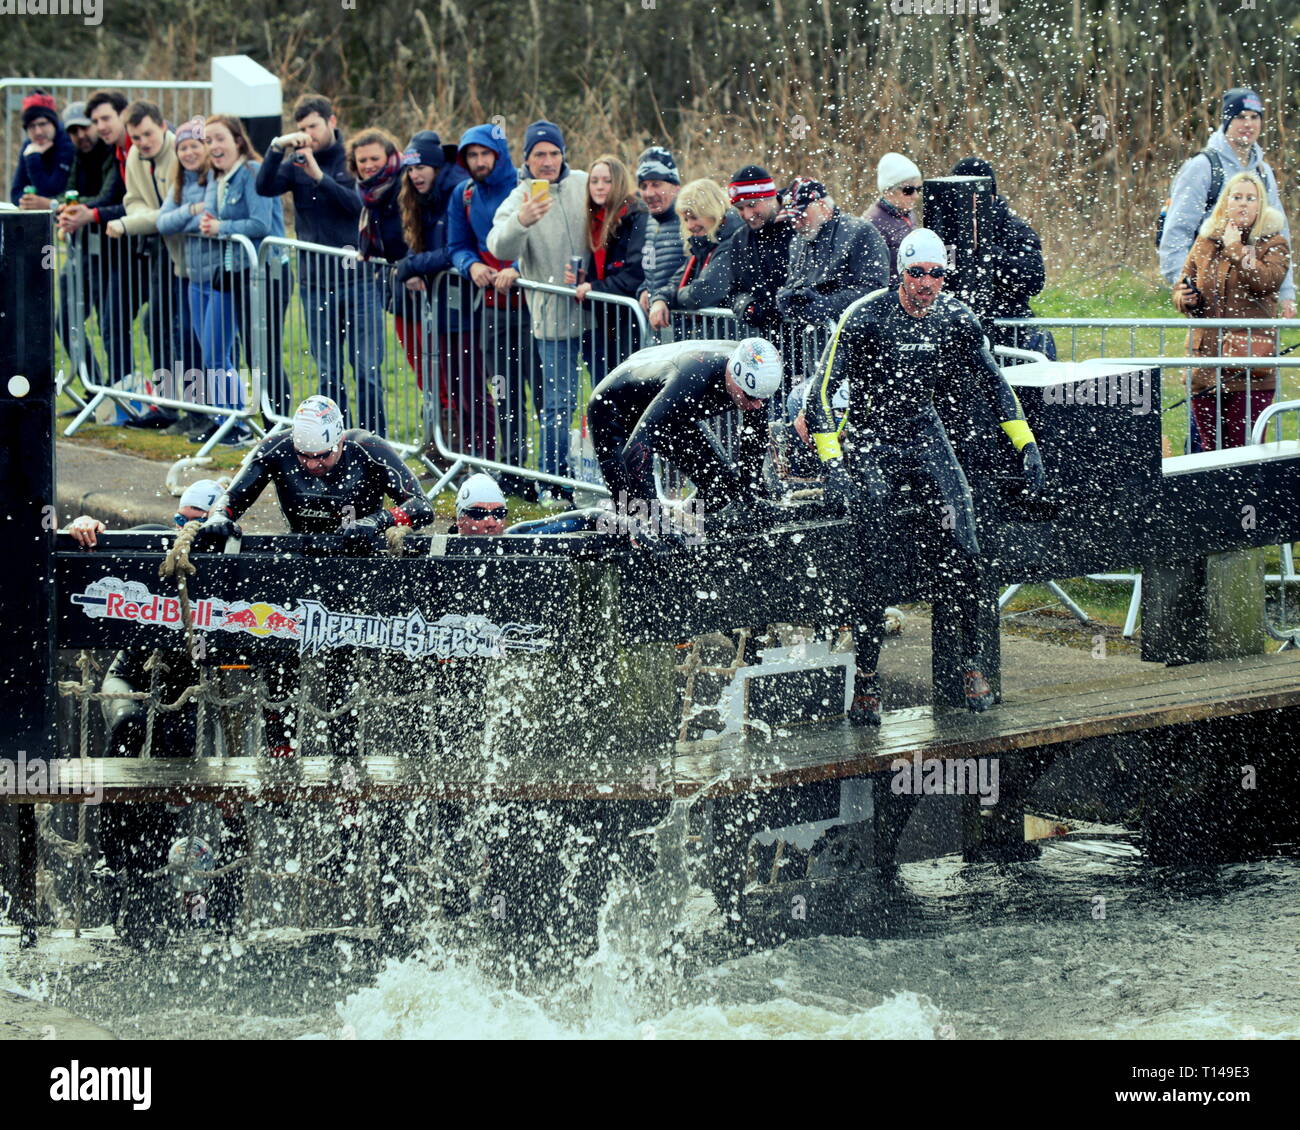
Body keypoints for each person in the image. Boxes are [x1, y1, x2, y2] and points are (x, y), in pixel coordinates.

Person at [807, 228, 1045, 724]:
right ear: (901, 273)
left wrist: (1026, 444)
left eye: (936, 274)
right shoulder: (867, 315)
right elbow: (820, 395)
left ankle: (972, 662)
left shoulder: (956, 318)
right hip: (871, 437)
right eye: (916, 273)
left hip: (922, 430)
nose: (926, 284)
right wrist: (832, 464)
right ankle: (867, 679)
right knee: (875, 551)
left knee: (966, 541)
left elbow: (994, 384)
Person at [256, 94, 384, 434]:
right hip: (314, 285)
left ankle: (373, 441)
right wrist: (276, 148)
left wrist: (318, 176)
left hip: (358, 281)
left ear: (331, 120)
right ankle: (335, 440)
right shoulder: (296, 159)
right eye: (301, 128)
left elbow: (358, 205)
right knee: (327, 372)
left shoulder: (352, 157)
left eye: (312, 126)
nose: (307, 134)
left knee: (367, 369)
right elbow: (265, 186)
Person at [587, 337, 784, 546]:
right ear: (733, 376)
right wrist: (655, 521)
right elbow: (634, 452)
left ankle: (682, 526)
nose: (755, 406)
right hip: (612, 410)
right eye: (750, 397)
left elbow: (754, 438)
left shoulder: (760, 377)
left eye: (761, 399)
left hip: (665, 408)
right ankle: (585, 524)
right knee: (632, 516)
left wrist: (751, 492)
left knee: (722, 489)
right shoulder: (692, 381)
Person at [488, 120, 590, 501]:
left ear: (564, 154)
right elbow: (498, 245)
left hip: (599, 314)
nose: (547, 162)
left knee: (608, 399)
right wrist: (522, 222)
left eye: (554, 153)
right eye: (539, 155)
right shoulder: (520, 198)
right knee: (558, 406)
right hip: (552, 320)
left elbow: (618, 209)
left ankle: (607, 481)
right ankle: (554, 483)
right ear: (526, 159)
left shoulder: (583, 183)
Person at [196, 395, 435, 548]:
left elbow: (422, 506)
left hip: (361, 552)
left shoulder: (368, 448)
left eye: (322, 456)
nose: (312, 465)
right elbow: (233, 499)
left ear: (340, 441)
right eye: (304, 456)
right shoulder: (277, 447)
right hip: (301, 549)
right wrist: (220, 516)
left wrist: (376, 521)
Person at [447, 123, 540, 499]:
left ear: (500, 155)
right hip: (492, 310)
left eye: (485, 154)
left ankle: (554, 472)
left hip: (535, 307)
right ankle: (513, 469)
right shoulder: (464, 194)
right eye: (472, 155)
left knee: (547, 393)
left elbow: (547, 240)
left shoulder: (527, 189)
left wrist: (518, 270)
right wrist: (470, 265)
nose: (479, 161)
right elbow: (456, 243)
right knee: (504, 392)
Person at [185, 115, 285, 447]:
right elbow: (212, 216)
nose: (213, 146)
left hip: (266, 272)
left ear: (238, 140)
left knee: (264, 355)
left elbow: (260, 223)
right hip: (234, 273)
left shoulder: (254, 172)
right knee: (240, 354)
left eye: (219, 138)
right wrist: (211, 222)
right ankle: (233, 421)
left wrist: (221, 229)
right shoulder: (220, 177)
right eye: (208, 141)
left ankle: (278, 431)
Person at [1172, 171, 1290, 449]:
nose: (1243, 204)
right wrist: (1184, 298)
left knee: (1245, 451)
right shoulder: (1205, 242)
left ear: (1261, 205)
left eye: (1251, 198)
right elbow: (1181, 284)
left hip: (1249, 365)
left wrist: (1236, 247)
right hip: (1205, 363)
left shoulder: (1273, 243)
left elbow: (1264, 280)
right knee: (1210, 452)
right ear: (1225, 202)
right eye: (1236, 197)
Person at [392, 130, 488, 468]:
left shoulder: (457, 189)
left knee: (472, 389)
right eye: (410, 169)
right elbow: (421, 242)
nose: (415, 175)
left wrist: (413, 265)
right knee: (451, 384)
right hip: (444, 306)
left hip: (468, 304)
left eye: (421, 167)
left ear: (435, 165)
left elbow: (454, 250)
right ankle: (455, 456)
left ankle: (482, 461)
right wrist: (414, 264)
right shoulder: (420, 194)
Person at [1160, 88, 1295, 321]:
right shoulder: (1202, 167)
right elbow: (1176, 232)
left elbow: (1280, 236)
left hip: (1256, 290)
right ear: (1226, 121)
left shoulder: (1263, 172)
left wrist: (1286, 293)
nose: (1248, 124)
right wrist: (1185, 285)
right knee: (1210, 353)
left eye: (1255, 117)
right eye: (1240, 117)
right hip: (1211, 291)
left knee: (1254, 352)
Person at [108, 102, 196, 432]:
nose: (143, 142)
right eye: (136, 136)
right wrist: (152, 218)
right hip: (164, 250)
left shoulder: (180, 154)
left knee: (182, 329)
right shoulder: (134, 157)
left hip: (191, 252)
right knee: (157, 322)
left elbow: (172, 213)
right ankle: (167, 402)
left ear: (163, 127)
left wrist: (134, 223)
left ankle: (191, 406)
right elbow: (133, 201)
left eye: (148, 133)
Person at [56, 89, 136, 424]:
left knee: (112, 322)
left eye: (102, 121)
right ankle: (97, 390)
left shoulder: (115, 151)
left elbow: (112, 197)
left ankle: (123, 399)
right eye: (75, 130)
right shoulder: (84, 154)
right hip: (89, 250)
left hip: (121, 249)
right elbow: (72, 193)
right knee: (66, 318)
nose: (83, 134)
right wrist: (68, 209)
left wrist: (83, 211)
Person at [944, 157, 1047, 353]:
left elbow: (1034, 279)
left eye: (970, 195)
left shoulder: (1015, 230)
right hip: (958, 332)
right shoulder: (946, 229)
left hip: (1008, 336)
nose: (965, 204)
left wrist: (984, 250)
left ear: (988, 195)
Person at [565, 154, 648, 386]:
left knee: (627, 386)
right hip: (606, 320)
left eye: (607, 181)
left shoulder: (636, 217)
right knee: (605, 387)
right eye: (594, 181)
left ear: (619, 183)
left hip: (630, 319)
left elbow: (635, 274)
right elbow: (607, 271)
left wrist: (595, 288)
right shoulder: (597, 218)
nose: (600, 187)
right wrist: (586, 281)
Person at [156, 117, 215, 437]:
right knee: (187, 343)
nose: (189, 153)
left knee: (212, 347)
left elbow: (215, 216)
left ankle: (216, 413)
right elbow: (164, 222)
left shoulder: (216, 179)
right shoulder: (180, 185)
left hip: (215, 276)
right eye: (183, 147)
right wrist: (192, 212)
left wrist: (190, 219)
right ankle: (194, 411)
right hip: (188, 274)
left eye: (195, 145)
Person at [776, 177, 890, 330]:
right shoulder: (798, 242)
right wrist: (789, 298)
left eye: (800, 215)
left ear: (822, 206)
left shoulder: (861, 232)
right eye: (791, 218)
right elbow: (794, 283)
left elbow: (875, 291)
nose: (796, 223)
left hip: (856, 337)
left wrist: (828, 304)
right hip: (811, 342)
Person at [697, 165, 793, 338]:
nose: (747, 215)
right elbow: (733, 292)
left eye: (752, 205)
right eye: (740, 208)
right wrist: (748, 306)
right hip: (764, 341)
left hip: (809, 339)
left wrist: (786, 306)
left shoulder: (798, 227)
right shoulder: (740, 239)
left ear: (771, 197)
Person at [648, 178, 743, 329]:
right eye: (685, 219)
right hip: (714, 335)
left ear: (712, 211)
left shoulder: (733, 241)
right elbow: (676, 282)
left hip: (731, 335)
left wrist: (673, 298)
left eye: (694, 217)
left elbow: (704, 293)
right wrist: (660, 299)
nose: (690, 225)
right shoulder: (703, 244)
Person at [65, 478, 224, 547]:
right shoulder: (158, 537)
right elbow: (107, 543)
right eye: (181, 519)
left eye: (197, 521)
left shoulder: (233, 549)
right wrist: (82, 525)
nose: (185, 528)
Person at [634, 146, 688, 329]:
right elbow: (652, 267)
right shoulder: (650, 220)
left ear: (675, 187)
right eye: (643, 186)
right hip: (657, 325)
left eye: (656, 184)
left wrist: (664, 298)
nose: (649, 193)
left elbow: (695, 270)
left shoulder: (689, 220)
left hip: (685, 324)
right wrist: (645, 289)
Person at [865, 152, 921, 287]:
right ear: (888, 191)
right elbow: (872, 276)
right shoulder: (873, 224)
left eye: (919, 189)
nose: (916, 196)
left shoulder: (907, 213)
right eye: (908, 190)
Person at [10, 89, 74, 207]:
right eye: (32, 126)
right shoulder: (29, 146)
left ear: (53, 123)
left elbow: (51, 192)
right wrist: (26, 202)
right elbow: (15, 192)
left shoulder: (67, 143)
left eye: (42, 124)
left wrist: (33, 159)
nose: (38, 131)